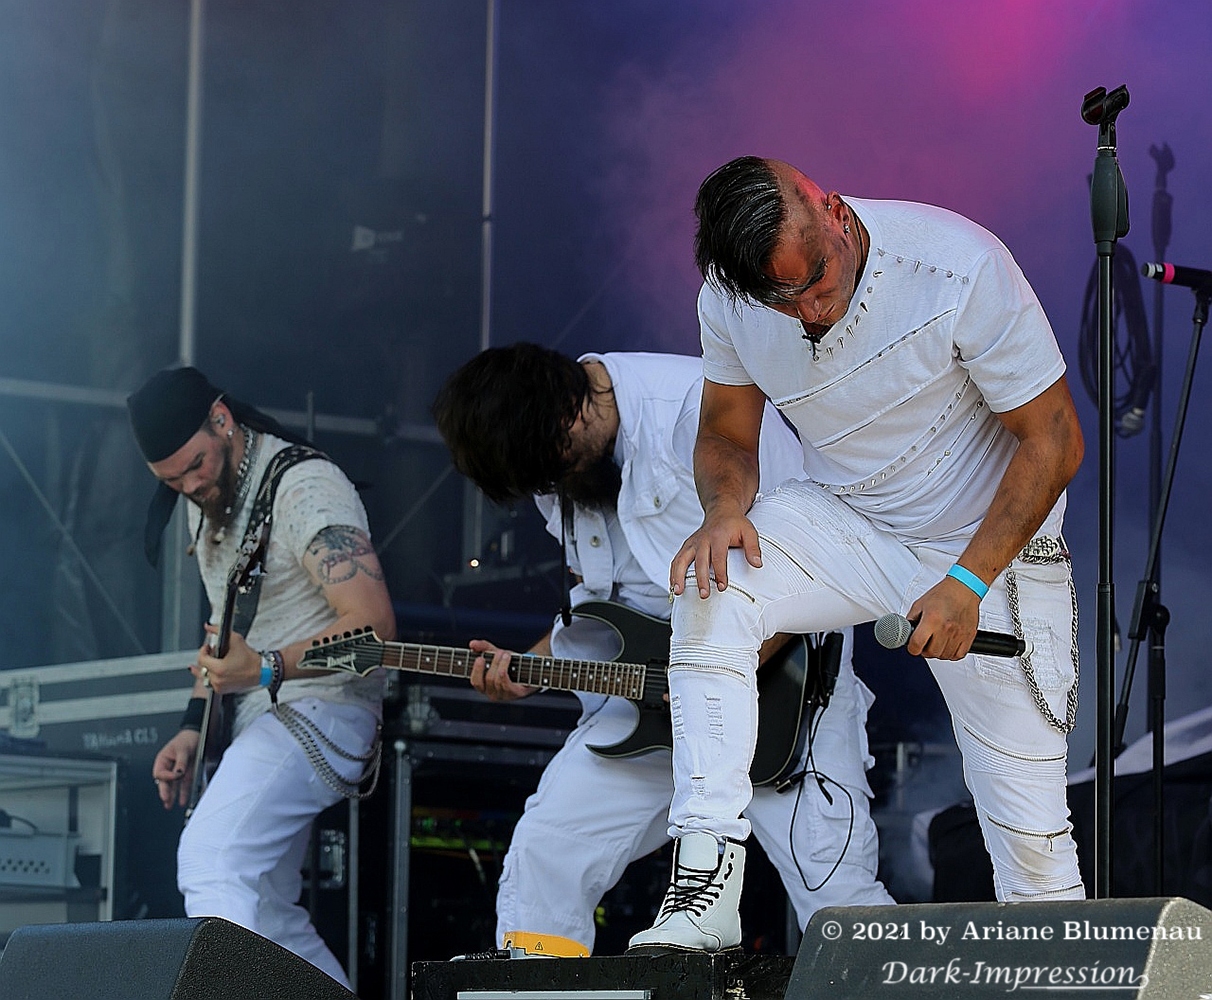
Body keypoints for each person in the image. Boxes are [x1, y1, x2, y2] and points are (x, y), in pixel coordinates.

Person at [627, 157, 1085, 954]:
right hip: (851, 519)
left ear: (835, 213)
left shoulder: (958, 265)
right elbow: (726, 431)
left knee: (1032, 850)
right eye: (783, 301)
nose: (809, 312)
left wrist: (967, 579)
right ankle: (704, 888)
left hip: (988, 548)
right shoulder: (729, 300)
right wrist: (724, 510)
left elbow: (1056, 439)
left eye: (817, 283)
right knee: (713, 582)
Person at [432, 343, 894, 958]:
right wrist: (530, 667)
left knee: (839, 901)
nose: (552, 486)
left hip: (788, 698)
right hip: (652, 713)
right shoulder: (555, 456)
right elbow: (602, 604)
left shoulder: (697, 407)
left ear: (570, 410)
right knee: (547, 852)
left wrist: (715, 671)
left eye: (554, 468)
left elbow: (820, 559)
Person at [128, 365, 395, 987]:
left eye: (195, 466)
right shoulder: (206, 499)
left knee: (211, 859)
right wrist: (193, 725)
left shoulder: (306, 488)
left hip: (326, 704)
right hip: (264, 715)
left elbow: (375, 628)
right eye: (171, 481)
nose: (190, 486)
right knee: (269, 914)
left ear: (221, 420)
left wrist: (269, 665)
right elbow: (224, 633)